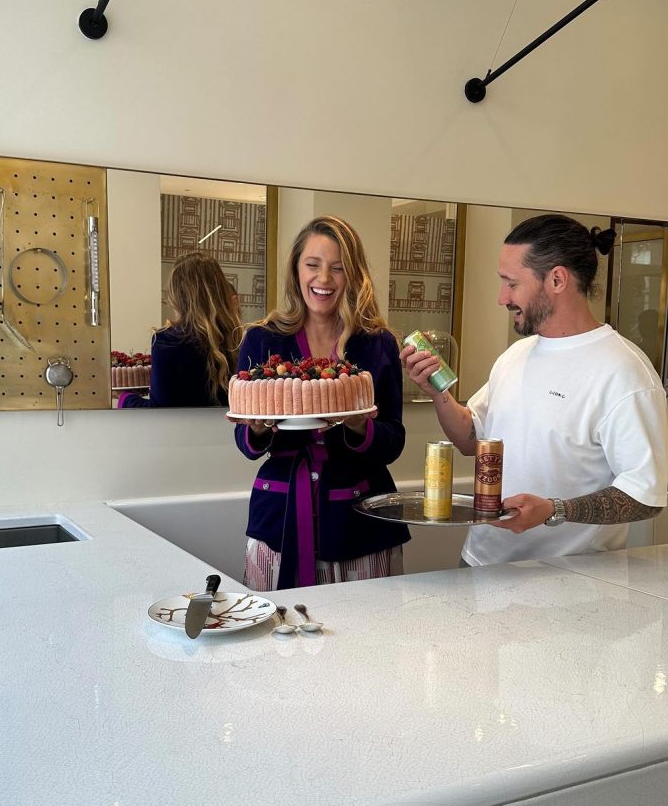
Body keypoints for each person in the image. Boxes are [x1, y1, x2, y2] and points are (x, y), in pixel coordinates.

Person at [401, 214, 667, 566]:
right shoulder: (516, 354)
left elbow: (647, 496)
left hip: (568, 579)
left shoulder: (624, 372)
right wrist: (437, 391)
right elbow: (471, 440)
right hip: (480, 563)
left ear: (557, 279)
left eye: (511, 283)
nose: (502, 298)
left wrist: (555, 510)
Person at [234, 216, 408, 590]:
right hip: (279, 517)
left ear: (353, 275)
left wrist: (359, 425)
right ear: (296, 270)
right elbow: (245, 442)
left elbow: (393, 440)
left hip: (360, 521)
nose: (324, 279)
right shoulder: (263, 341)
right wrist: (258, 430)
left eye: (338, 268)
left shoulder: (377, 344)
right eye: (312, 265)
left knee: (368, 626)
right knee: (277, 625)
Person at [117, 253, 241, 409]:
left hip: (184, 426)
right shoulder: (238, 337)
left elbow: (160, 410)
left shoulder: (167, 340)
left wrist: (124, 397)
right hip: (230, 425)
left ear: (178, 298)